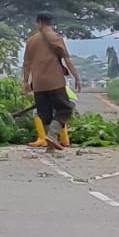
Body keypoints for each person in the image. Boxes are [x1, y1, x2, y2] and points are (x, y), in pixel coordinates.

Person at [22, 12, 80, 152]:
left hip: (38, 84)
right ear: (49, 22)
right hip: (55, 81)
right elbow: (67, 59)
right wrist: (76, 77)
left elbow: (27, 63)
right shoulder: (56, 38)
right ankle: (52, 135)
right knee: (65, 108)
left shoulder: (31, 41)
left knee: (44, 113)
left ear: (39, 23)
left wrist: (25, 82)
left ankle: (50, 146)